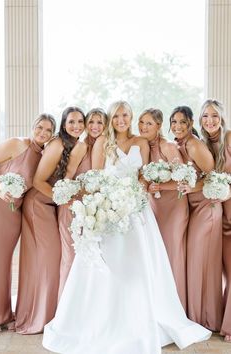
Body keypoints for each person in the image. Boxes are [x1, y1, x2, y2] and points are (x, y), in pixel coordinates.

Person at [43, 101, 211, 354]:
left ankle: (140, 319)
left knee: (137, 264)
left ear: (130, 117)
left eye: (125, 115)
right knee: (107, 265)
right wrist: (106, 201)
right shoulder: (102, 143)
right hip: (109, 207)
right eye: (116, 116)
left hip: (135, 209)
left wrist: (135, 191)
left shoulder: (140, 142)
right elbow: (98, 176)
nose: (121, 120)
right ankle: (100, 320)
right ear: (111, 119)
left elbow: (142, 174)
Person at [15, 106, 85, 334]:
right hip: (38, 206)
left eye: (79, 122)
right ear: (64, 124)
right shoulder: (57, 144)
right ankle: (40, 318)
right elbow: (37, 181)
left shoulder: (76, 145)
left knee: (50, 260)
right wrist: (63, 197)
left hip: (51, 206)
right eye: (71, 122)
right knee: (48, 259)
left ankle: (50, 313)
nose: (76, 126)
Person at [0, 113, 56, 334]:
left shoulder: (43, 158)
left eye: (48, 130)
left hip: (13, 216)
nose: (43, 133)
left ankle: (2, 314)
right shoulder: (16, 144)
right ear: (33, 127)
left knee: (2, 264)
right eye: (40, 127)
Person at [170, 105, 223, 331]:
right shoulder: (178, 144)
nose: (178, 126)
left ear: (191, 124)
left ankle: (208, 319)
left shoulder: (194, 144)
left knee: (203, 264)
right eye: (174, 122)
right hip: (194, 209)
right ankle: (195, 315)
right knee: (196, 263)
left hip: (207, 208)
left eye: (183, 122)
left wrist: (192, 187)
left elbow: (215, 178)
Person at [138, 108, 188, 311]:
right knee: (157, 255)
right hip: (154, 207)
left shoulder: (168, 147)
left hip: (174, 206)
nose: (143, 126)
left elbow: (185, 180)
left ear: (159, 126)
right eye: (141, 122)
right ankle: (159, 306)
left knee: (172, 253)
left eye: (149, 123)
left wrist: (161, 186)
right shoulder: (141, 146)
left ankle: (177, 307)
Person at [57, 108, 108, 298]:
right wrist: (76, 199)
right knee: (71, 258)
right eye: (91, 122)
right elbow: (67, 178)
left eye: (99, 123)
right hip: (73, 208)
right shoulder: (81, 146)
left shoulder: (102, 145)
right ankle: (65, 309)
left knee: (88, 260)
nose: (95, 127)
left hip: (90, 210)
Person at [199, 99, 231, 342]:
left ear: (222, 117)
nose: (210, 120)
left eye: (214, 116)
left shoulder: (229, 139)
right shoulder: (201, 144)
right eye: (205, 116)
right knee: (214, 268)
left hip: (229, 208)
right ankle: (216, 319)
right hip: (213, 213)